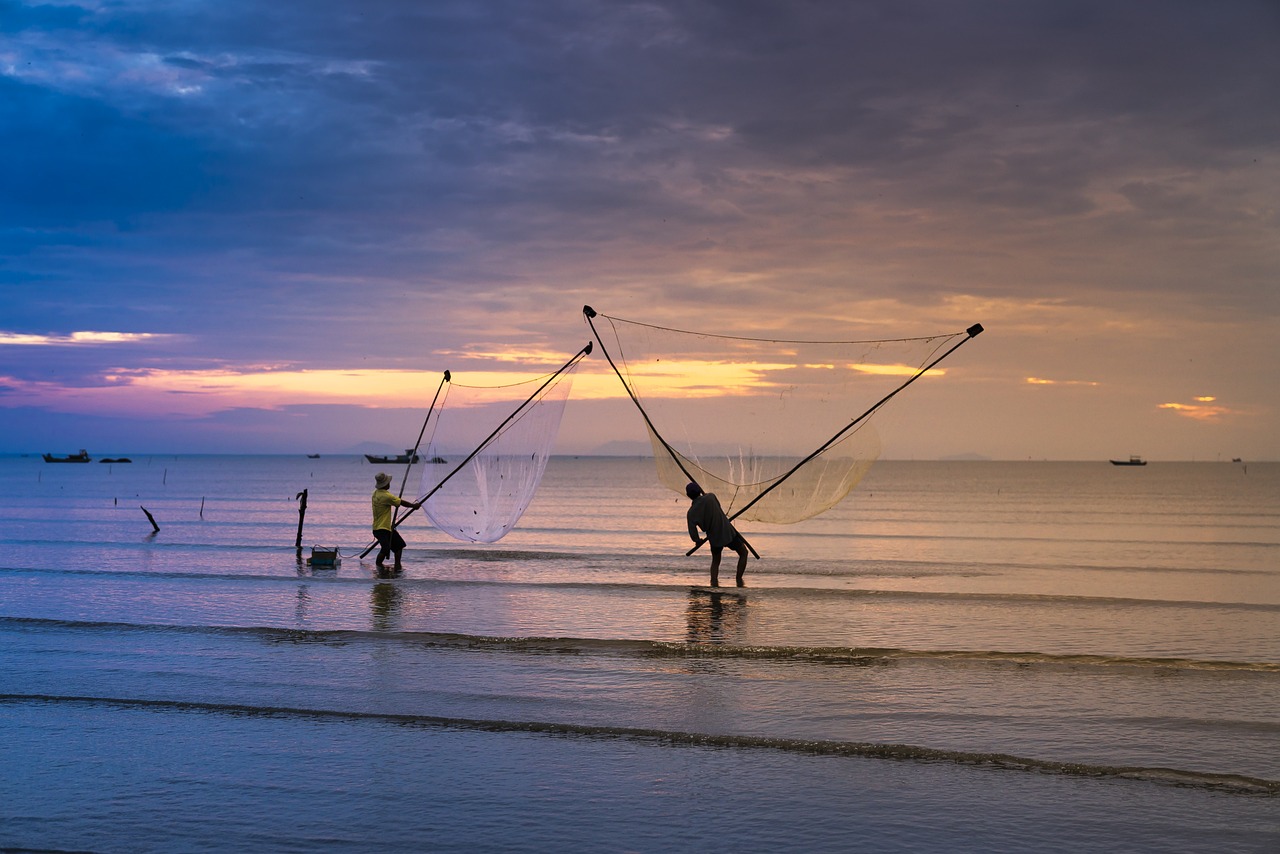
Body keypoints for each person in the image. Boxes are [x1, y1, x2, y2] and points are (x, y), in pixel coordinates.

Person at [685, 482, 749, 587]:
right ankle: (739, 579)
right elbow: (718, 508)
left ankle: (714, 582)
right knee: (743, 553)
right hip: (727, 532)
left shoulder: (691, 512)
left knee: (715, 561)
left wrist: (697, 540)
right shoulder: (711, 497)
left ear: (688, 495)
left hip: (714, 537)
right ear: (699, 490)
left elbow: (692, 531)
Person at [371, 472, 421, 570]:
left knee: (399, 545)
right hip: (381, 529)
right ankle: (378, 567)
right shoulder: (386, 496)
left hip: (386, 528)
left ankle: (397, 566)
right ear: (385, 484)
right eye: (388, 482)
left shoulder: (375, 493)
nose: (389, 484)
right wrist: (413, 506)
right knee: (385, 548)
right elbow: (400, 502)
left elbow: (395, 500)